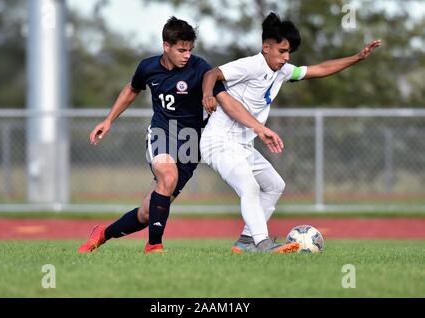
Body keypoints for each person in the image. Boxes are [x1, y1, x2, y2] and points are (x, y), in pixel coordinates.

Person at [78, 16, 294, 254]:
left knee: (148, 213)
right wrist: (108, 120)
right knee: (167, 178)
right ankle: (154, 246)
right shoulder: (148, 67)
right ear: (166, 46)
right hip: (162, 133)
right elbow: (132, 89)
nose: (187, 55)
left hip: (193, 142)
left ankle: (102, 233)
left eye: (190, 49)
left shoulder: (200, 68)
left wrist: (258, 128)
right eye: (181, 50)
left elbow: (228, 102)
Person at [200, 12, 382, 253]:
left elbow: (319, 69)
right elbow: (211, 74)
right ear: (266, 47)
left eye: (289, 53)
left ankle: (245, 242)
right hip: (219, 142)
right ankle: (262, 243)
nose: (286, 58)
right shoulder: (250, 65)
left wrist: (357, 58)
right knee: (250, 186)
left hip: (242, 146)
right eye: (282, 51)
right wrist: (207, 94)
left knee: (275, 185)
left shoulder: (283, 72)